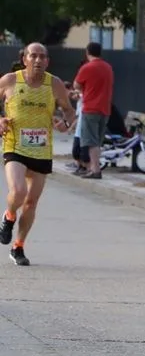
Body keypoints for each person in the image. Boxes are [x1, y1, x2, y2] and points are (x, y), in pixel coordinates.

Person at [0, 43, 75, 265]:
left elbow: (69, 110)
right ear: (25, 59)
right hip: (15, 145)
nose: (38, 60)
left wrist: (66, 122)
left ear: (47, 61)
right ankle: (9, 215)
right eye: (33, 56)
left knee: (31, 203)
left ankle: (18, 247)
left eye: (42, 56)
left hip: (41, 150)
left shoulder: (55, 84)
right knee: (19, 190)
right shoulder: (10, 80)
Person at [73, 42, 115, 179]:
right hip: (105, 108)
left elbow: (76, 85)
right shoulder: (108, 67)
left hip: (91, 108)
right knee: (98, 140)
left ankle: (95, 169)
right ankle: (94, 167)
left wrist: (81, 91)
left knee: (91, 141)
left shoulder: (87, 67)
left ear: (87, 52)